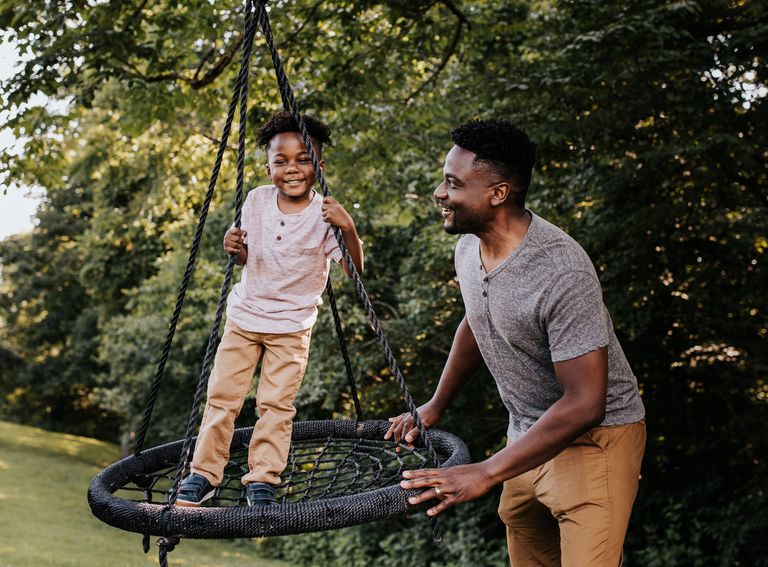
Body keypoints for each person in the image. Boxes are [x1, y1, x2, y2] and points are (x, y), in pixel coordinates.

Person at [386, 118, 645, 565]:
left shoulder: (562, 273)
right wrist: (435, 403)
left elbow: (586, 402)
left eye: (453, 183)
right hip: (525, 438)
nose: (440, 193)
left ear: (497, 193)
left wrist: (486, 471)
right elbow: (477, 320)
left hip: (594, 442)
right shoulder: (468, 248)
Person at [176, 111, 364, 508]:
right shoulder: (257, 199)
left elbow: (354, 272)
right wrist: (235, 247)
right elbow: (249, 257)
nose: (291, 168)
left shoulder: (326, 215)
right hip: (244, 319)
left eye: (302, 159)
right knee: (222, 398)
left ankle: (262, 478)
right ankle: (204, 474)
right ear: (268, 166)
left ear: (320, 166)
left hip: (291, 328)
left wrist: (348, 227)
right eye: (281, 161)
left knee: (276, 406)